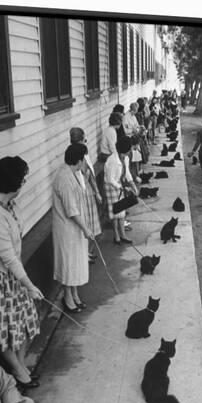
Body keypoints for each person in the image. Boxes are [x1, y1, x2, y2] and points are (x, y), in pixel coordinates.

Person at [0, 156, 43, 390]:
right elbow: (6, 256)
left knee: (27, 321)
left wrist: (23, 281)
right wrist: (29, 284)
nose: (25, 182)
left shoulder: (10, 205)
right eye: (23, 178)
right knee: (5, 328)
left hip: (13, 274)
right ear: (14, 183)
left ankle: (20, 366)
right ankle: (19, 371)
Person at [52, 143, 94, 313]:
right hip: (67, 229)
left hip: (74, 228)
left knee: (76, 263)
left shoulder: (73, 173)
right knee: (68, 264)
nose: (85, 161)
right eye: (84, 158)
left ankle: (75, 295)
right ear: (78, 160)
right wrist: (86, 229)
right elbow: (71, 210)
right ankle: (67, 299)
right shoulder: (64, 178)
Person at [70, 127, 102, 264]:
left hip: (88, 192)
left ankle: (88, 251)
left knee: (92, 225)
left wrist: (97, 192)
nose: (85, 142)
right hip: (80, 195)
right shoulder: (72, 157)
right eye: (84, 140)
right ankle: (84, 254)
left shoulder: (86, 154)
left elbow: (91, 177)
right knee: (84, 224)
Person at [104, 136, 138, 245]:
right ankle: (116, 235)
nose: (130, 151)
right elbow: (110, 179)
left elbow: (126, 172)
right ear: (124, 149)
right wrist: (122, 188)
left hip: (118, 184)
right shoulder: (112, 160)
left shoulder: (125, 158)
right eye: (129, 149)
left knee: (122, 211)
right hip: (111, 186)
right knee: (115, 211)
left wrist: (132, 185)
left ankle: (122, 234)